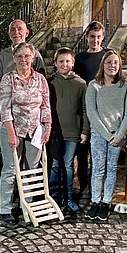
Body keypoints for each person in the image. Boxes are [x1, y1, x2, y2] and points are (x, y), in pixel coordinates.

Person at [0, 42, 52, 224]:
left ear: (33, 58)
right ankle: (5, 208)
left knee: (31, 169)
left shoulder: (40, 79)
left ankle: (27, 206)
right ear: (14, 58)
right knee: (11, 169)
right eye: (19, 56)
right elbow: (4, 108)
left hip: (34, 131)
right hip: (12, 130)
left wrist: (47, 128)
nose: (24, 60)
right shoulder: (8, 79)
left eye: (27, 56)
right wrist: (12, 135)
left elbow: (45, 106)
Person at [84, 49, 127, 221]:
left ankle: (106, 202)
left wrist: (119, 136)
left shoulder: (124, 86)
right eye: (108, 62)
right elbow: (91, 112)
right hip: (99, 134)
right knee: (98, 169)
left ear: (119, 66)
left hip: (117, 136)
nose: (112, 65)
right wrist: (105, 134)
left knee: (111, 169)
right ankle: (95, 201)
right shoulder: (94, 86)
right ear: (102, 65)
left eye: (115, 63)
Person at [48, 47, 89, 213]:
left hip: (72, 133)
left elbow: (85, 109)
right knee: (55, 165)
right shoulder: (49, 82)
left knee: (68, 165)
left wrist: (85, 130)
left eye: (67, 61)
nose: (64, 64)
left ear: (72, 63)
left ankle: (69, 198)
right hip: (54, 132)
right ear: (55, 63)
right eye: (61, 61)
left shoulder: (80, 84)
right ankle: (53, 198)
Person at [74, 21, 107, 197]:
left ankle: (97, 187)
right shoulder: (79, 59)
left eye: (98, 37)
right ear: (87, 37)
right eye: (92, 37)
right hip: (83, 108)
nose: (95, 40)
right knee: (82, 150)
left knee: (99, 153)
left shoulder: (107, 56)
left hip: (103, 108)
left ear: (103, 37)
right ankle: (83, 185)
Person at [0, 19, 46, 84]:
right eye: (13, 30)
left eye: (19, 29)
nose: (16, 32)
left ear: (27, 33)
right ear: (9, 34)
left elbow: (42, 81)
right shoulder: (3, 55)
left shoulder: (35, 55)